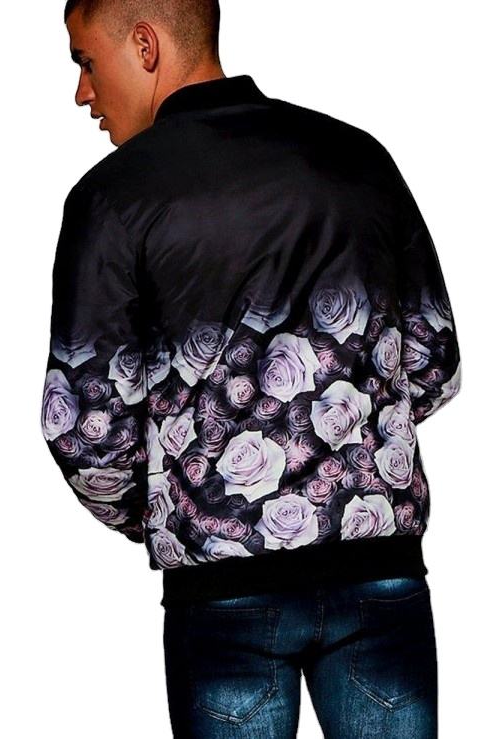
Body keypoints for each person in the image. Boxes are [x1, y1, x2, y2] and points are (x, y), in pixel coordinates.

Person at [40, 1, 462, 736]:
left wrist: (184, 507)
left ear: (144, 44)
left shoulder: (111, 200)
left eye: (86, 61)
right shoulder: (359, 159)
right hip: (378, 571)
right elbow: (433, 359)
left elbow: (84, 429)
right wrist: (347, 448)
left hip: (223, 593)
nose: (83, 92)